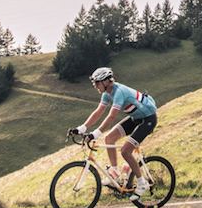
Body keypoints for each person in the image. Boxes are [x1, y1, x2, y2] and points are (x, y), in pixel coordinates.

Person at [68, 67, 158, 201]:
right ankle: (115, 173)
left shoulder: (119, 92)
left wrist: (95, 134)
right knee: (109, 138)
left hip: (148, 119)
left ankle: (142, 183)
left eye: (96, 83)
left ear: (105, 81)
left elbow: (111, 117)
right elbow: (98, 113)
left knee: (125, 151)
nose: (95, 86)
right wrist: (81, 128)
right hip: (136, 118)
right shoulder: (106, 93)